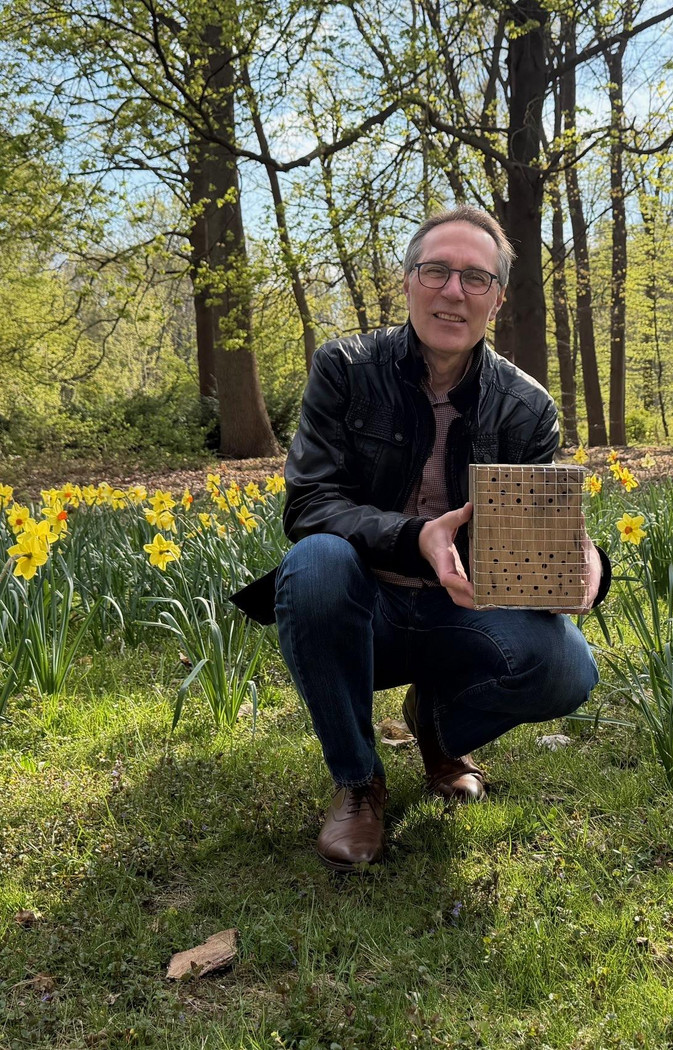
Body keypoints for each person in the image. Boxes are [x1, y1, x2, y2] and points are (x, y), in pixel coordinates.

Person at [233, 206, 608, 872]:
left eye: (475, 277)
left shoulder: (527, 408)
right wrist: (415, 538)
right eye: (436, 271)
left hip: (459, 610)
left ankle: (437, 729)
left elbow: (537, 530)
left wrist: (587, 568)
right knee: (314, 562)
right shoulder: (345, 369)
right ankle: (358, 782)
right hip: (362, 605)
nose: (453, 291)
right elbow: (311, 504)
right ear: (407, 281)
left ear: (496, 298)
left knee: (568, 668)